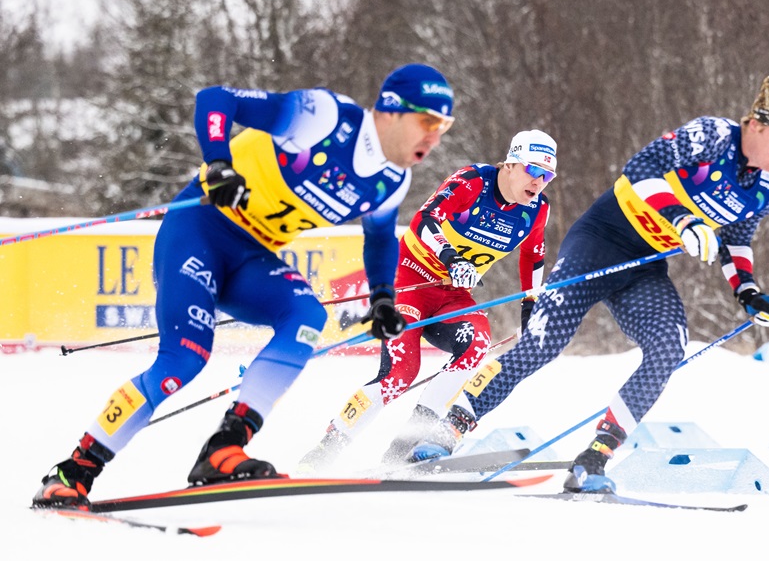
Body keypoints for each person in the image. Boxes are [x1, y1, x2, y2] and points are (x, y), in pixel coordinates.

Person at [32, 63, 455, 509]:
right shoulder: (326, 118)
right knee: (183, 361)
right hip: (199, 231)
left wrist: (383, 296)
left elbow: (379, 238)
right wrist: (218, 163)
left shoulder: (393, 180)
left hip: (251, 256)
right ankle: (73, 471)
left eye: (443, 126)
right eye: (427, 122)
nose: (434, 136)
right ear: (390, 111)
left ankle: (224, 447)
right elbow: (216, 99)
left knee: (308, 316)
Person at [415, 75, 769, 493]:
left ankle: (594, 459)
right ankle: (449, 428)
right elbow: (639, 168)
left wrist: (747, 290)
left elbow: (737, 239)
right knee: (542, 343)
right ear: (756, 125)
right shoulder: (712, 136)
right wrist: (684, 220)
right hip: (600, 241)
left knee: (667, 349)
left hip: (643, 269)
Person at [296, 129, 557, 474]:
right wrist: (451, 257)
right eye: (533, 170)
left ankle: (404, 450)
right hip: (409, 278)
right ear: (510, 164)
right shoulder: (473, 182)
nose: (539, 182)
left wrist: (530, 304)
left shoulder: (536, 210)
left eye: (547, 175)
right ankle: (326, 450)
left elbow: (532, 256)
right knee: (401, 373)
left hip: (452, 293)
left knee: (477, 343)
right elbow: (425, 221)